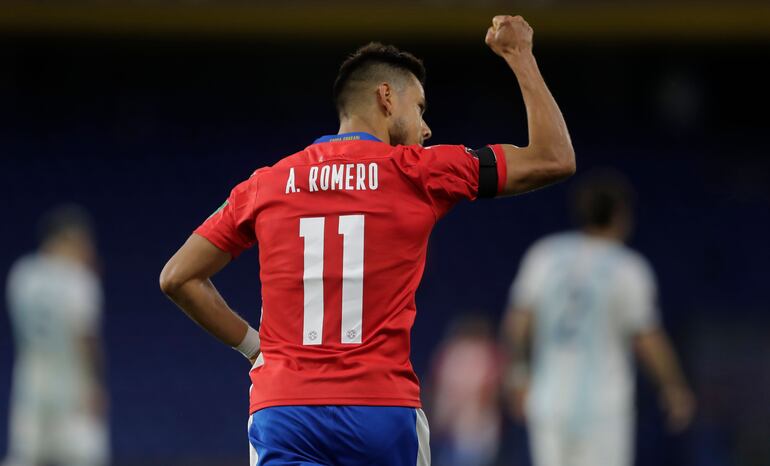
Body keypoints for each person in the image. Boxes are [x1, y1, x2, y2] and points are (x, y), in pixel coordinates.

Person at [160, 15, 575, 466]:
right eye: (419, 108)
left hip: (285, 409)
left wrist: (254, 348)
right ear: (386, 97)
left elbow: (178, 277)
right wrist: (520, 56)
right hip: (381, 410)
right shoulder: (421, 170)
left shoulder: (267, 183)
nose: (426, 127)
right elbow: (553, 158)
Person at [502, 170, 696, 466]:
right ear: (621, 215)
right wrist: (673, 386)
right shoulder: (628, 268)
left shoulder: (544, 256)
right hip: (604, 406)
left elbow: (518, 322)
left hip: (549, 399)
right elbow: (646, 337)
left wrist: (518, 374)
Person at [3, 205, 109, 466]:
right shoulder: (78, 279)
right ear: (65, 239)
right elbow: (85, 337)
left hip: (30, 377)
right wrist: (94, 383)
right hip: (71, 381)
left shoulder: (22, 274)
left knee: (26, 457)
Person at [427, 315, 502, 466]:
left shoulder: (487, 354)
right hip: (450, 434)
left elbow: (492, 394)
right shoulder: (450, 355)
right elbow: (438, 394)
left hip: (478, 433)